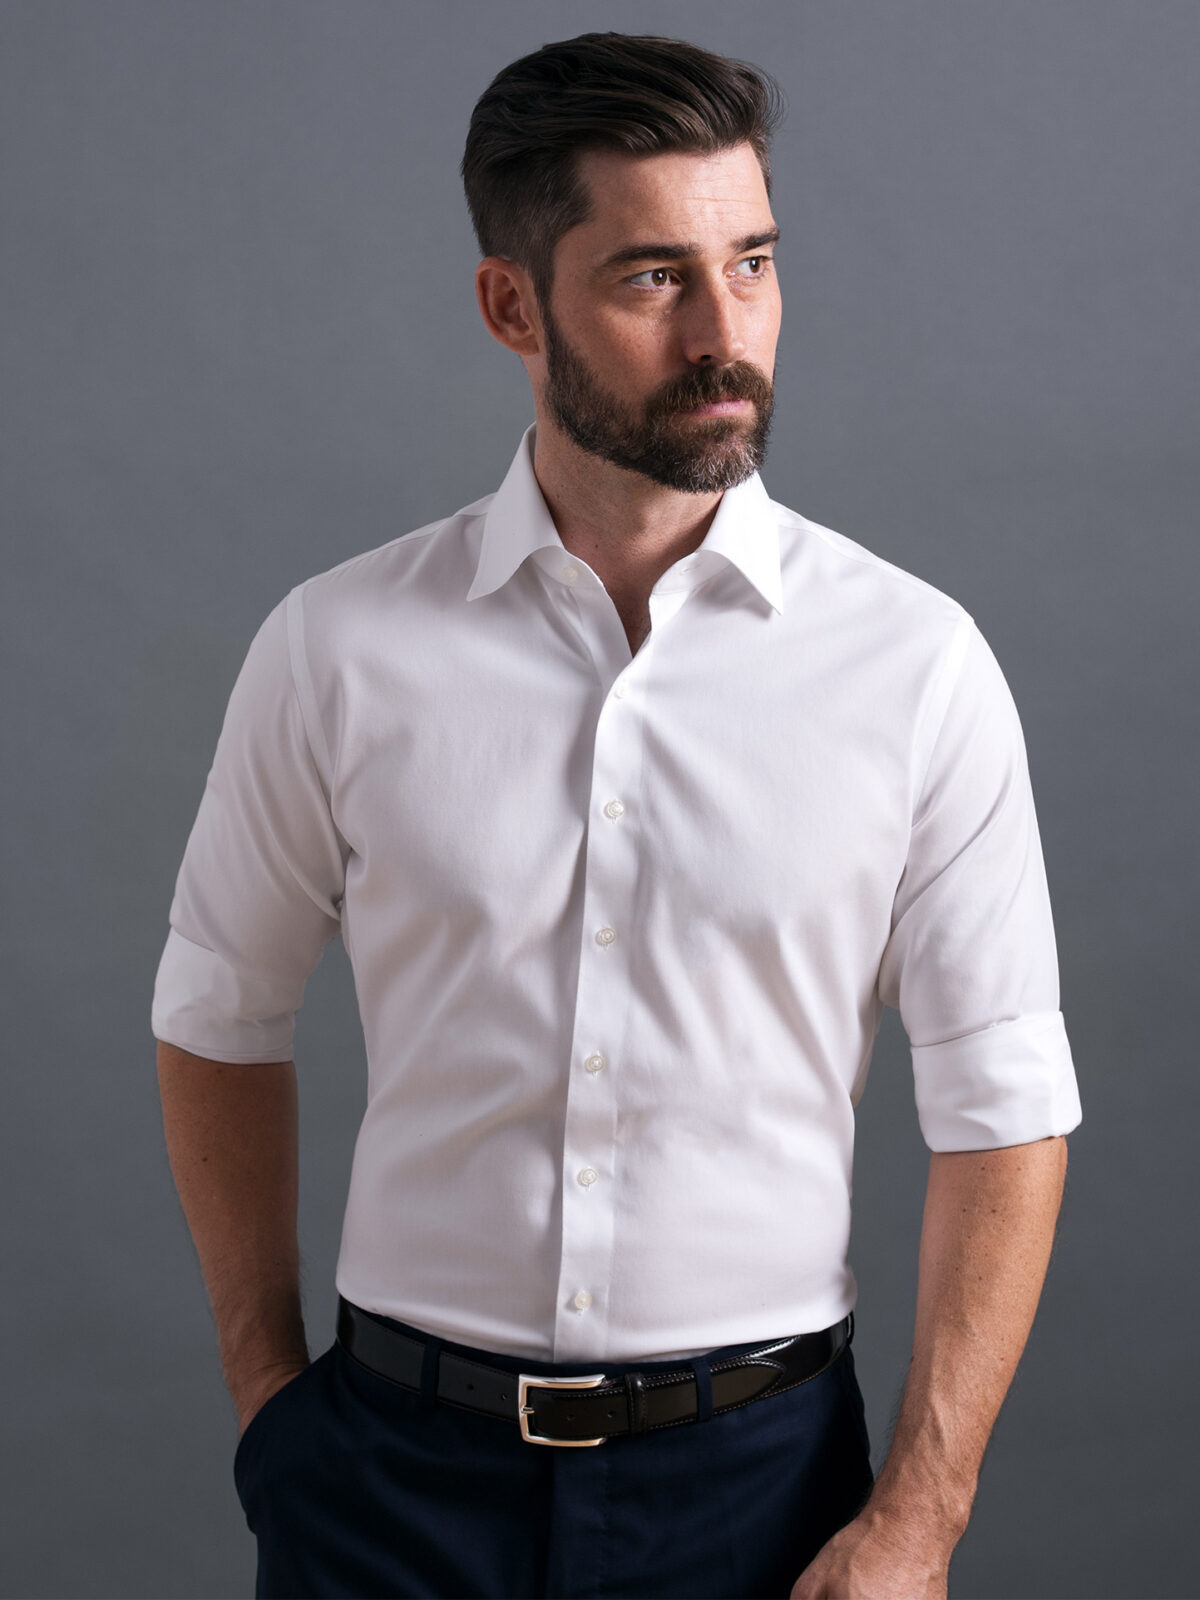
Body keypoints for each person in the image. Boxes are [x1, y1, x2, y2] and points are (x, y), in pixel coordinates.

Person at [152, 31, 1081, 1600]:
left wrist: (920, 1520)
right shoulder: (337, 649)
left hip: (762, 1494)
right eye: (655, 278)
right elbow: (214, 1013)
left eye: (753, 264)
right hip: (386, 1489)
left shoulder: (917, 667)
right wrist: (268, 1401)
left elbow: (1007, 1106)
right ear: (512, 306)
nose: (727, 335)